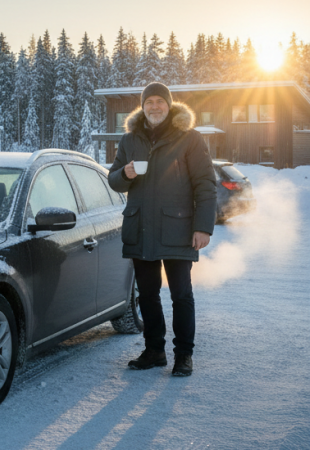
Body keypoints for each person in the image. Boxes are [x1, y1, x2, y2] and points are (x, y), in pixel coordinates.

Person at [107, 82, 217, 377]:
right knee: (147, 294)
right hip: (141, 227)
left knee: (181, 294)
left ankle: (183, 355)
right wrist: (125, 174)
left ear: (169, 105)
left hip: (178, 229)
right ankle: (154, 350)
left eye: (160, 101)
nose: (154, 106)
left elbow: (205, 184)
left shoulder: (189, 138)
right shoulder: (130, 139)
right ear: (143, 107)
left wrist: (203, 227)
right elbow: (113, 179)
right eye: (149, 102)